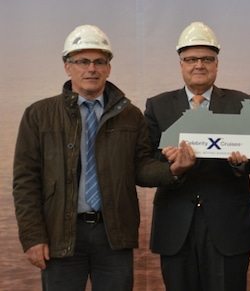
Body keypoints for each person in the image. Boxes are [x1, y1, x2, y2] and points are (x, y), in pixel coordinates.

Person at [12, 24, 196, 291]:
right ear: (67, 66)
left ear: (109, 68)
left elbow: (141, 168)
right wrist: (32, 237)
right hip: (60, 236)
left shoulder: (130, 115)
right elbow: (25, 182)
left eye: (100, 61)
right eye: (82, 61)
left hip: (114, 235)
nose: (91, 69)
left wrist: (173, 171)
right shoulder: (38, 115)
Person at [144, 21, 250, 291]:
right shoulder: (158, 106)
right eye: (191, 59)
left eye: (207, 58)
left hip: (228, 227)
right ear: (181, 64)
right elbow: (144, 164)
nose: (199, 64)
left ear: (217, 64)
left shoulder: (242, 103)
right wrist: (172, 168)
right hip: (176, 227)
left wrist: (242, 163)